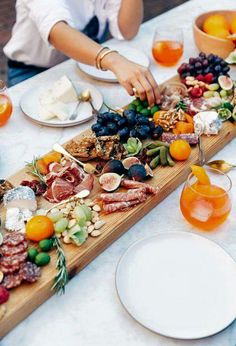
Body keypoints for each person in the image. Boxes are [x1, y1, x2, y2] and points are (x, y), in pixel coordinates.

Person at [4, 0, 160, 105]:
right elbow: (55, 30)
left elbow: (127, 30)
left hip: (86, 68)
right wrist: (115, 60)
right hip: (34, 73)